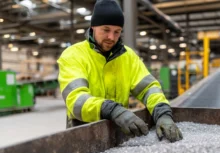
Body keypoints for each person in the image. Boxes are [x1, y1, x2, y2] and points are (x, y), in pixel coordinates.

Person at [57, 0, 182, 142]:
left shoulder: (128, 57)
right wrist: (112, 110)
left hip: (118, 136)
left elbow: (148, 88)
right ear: (93, 27)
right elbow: (76, 101)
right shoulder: (73, 55)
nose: (111, 37)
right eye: (106, 30)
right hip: (82, 137)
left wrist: (162, 113)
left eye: (117, 32)